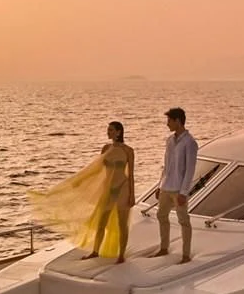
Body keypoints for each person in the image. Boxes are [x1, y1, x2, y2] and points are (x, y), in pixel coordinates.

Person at [28, 121, 135, 263]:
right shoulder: (106, 148)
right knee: (101, 223)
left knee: (122, 225)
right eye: (108, 129)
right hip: (107, 189)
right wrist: (79, 180)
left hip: (122, 188)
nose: (108, 132)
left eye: (111, 130)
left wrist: (132, 195)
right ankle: (95, 251)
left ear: (119, 132)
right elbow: (96, 169)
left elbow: (131, 174)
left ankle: (121, 255)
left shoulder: (128, 151)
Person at [154, 107, 198, 263]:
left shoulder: (190, 142)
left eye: (169, 121)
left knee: (184, 221)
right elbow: (166, 165)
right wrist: (159, 185)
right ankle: (164, 248)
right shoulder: (169, 141)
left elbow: (190, 169)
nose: (167, 124)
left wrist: (183, 192)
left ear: (177, 121)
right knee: (161, 216)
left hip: (179, 189)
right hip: (166, 187)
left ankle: (186, 255)